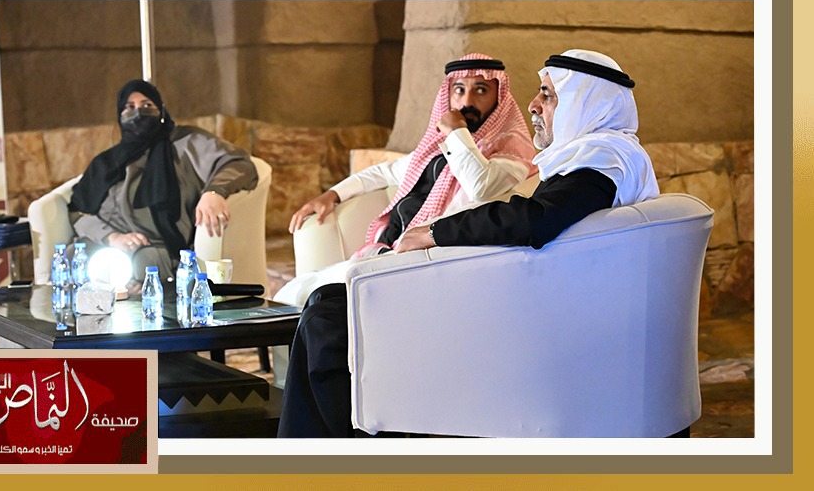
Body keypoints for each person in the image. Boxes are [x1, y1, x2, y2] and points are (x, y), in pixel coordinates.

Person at [277, 49, 659, 438]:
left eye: (547, 94)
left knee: (327, 318)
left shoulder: (600, 161)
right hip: (519, 295)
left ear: (586, 103)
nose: (533, 104)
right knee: (326, 305)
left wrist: (434, 232)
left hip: (522, 311)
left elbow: (533, 219)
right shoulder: (600, 157)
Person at [288, 53, 537, 258]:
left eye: (481, 90)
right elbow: (384, 172)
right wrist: (331, 195)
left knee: (315, 295)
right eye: (459, 90)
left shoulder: (512, 152)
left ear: (499, 99)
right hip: (386, 250)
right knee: (301, 291)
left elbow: (481, 187)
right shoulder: (441, 150)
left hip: (423, 260)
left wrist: (456, 131)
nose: (466, 101)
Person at [68, 79, 257, 291]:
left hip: (157, 247)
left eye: (147, 105)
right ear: (120, 115)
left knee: (142, 266)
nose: (138, 113)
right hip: (110, 245)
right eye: (129, 107)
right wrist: (113, 237)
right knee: (73, 258)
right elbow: (78, 211)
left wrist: (214, 192)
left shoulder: (187, 142)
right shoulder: (107, 162)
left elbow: (239, 164)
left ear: (161, 111)